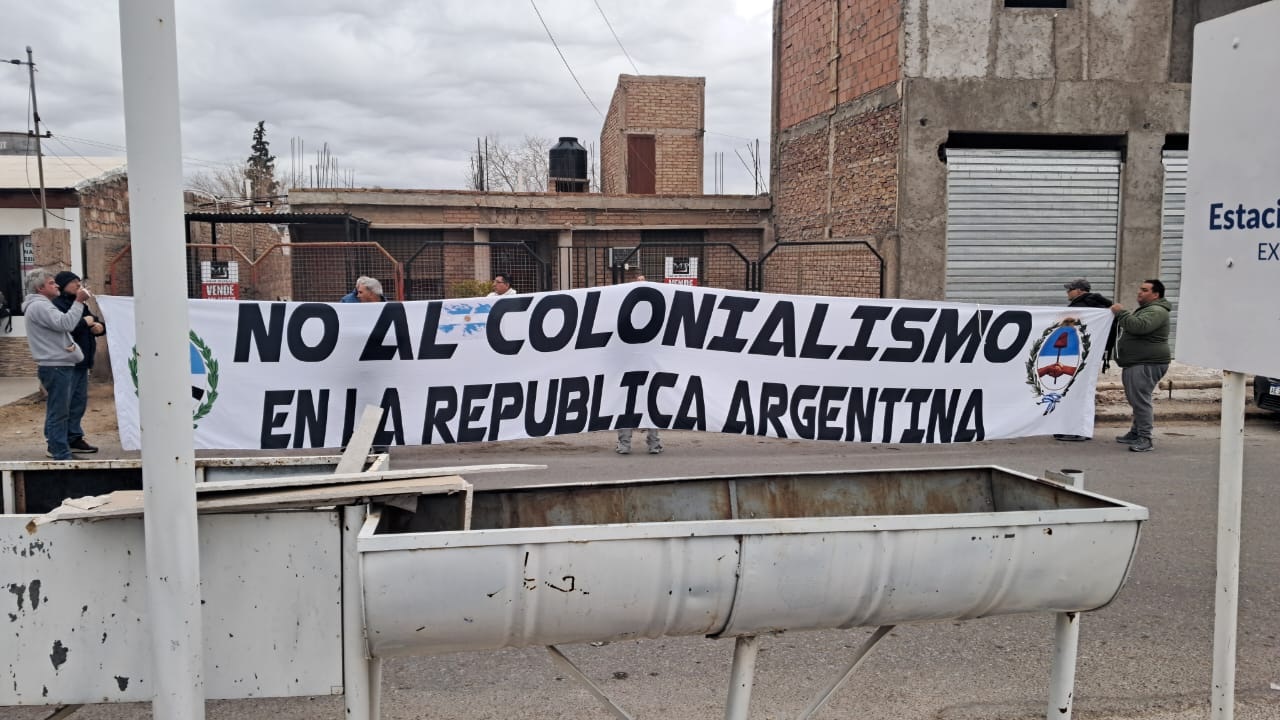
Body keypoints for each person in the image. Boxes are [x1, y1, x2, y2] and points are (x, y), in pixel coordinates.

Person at [21, 268, 93, 460]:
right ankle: (59, 451)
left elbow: (60, 328)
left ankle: (60, 447)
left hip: (59, 364)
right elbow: (66, 324)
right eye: (51, 283)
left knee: (61, 409)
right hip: (55, 366)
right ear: (40, 288)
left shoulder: (43, 305)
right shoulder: (40, 306)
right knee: (59, 411)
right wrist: (78, 302)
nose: (57, 286)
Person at [1110, 279, 1173, 453]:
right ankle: (1136, 432)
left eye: (1145, 290)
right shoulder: (1149, 309)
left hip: (1146, 363)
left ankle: (1145, 438)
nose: (1140, 292)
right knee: (1137, 400)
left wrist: (1121, 313)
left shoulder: (1156, 310)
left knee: (1140, 401)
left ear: (1156, 294)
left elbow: (1139, 327)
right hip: (1139, 362)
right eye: (1140, 289)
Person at [49, 271, 105, 454]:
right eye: (74, 282)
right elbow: (65, 328)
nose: (78, 285)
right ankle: (55, 442)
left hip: (82, 362)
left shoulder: (80, 305)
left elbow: (92, 320)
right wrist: (85, 323)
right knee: (62, 405)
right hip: (65, 363)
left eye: (79, 282)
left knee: (78, 403)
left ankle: (74, 437)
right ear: (63, 284)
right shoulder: (56, 306)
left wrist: (98, 327)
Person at [1054, 278, 1114, 442]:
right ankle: (1080, 429)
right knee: (1083, 392)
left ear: (1080, 291)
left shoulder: (1081, 307)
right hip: (1089, 355)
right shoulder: (1098, 307)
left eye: (1070, 289)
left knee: (1075, 393)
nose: (1067, 292)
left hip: (1077, 356)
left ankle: (1077, 430)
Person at [615, 272, 662, 455]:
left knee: (629, 406)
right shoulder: (657, 314)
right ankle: (651, 444)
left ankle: (627, 444)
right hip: (642, 367)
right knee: (648, 405)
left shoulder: (623, 314)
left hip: (636, 368)